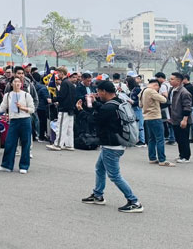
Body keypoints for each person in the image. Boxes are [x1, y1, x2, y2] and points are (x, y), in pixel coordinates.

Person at [81, 81, 143, 212]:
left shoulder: (108, 108)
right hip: (116, 142)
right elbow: (104, 110)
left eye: (98, 92)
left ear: (103, 91)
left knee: (114, 175)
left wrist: (82, 109)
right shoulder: (118, 102)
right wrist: (95, 103)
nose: (97, 94)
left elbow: (94, 121)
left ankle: (134, 201)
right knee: (99, 168)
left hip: (111, 146)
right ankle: (98, 195)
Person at [0, 76, 34, 173]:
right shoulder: (8, 95)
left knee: (26, 143)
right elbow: (2, 108)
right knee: (10, 142)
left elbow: (32, 109)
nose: (17, 83)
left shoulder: (26, 95)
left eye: (19, 82)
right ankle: (7, 165)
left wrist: (22, 108)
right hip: (13, 121)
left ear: (21, 84)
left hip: (25, 120)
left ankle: (24, 166)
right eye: (15, 82)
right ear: (11, 84)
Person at [140, 79, 173, 167]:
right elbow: (163, 100)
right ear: (156, 85)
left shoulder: (143, 91)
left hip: (146, 117)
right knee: (160, 139)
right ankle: (162, 160)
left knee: (151, 139)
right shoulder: (151, 91)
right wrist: (161, 95)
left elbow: (140, 105)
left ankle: (152, 158)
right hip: (155, 117)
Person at [48, 67, 76, 151]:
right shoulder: (70, 83)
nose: (58, 75)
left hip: (64, 108)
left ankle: (57, 144)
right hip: (71, 108)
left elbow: (62, 96)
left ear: (62, 73)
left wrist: (53, 100)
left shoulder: (64, 83)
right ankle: (69, 144)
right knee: (69, 128)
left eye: (59, 73)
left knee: (61, 127)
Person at [167, 72, 192, 163]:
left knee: (184, 138)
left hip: (182, 119)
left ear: (178, 81)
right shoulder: (172, 90)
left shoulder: (184, 92)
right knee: (178, 138)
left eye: (172, 79)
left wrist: (185, 119)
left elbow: (187, 107)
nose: (170, 81)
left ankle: (186, 156)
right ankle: (181, 155)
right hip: (175, 119)